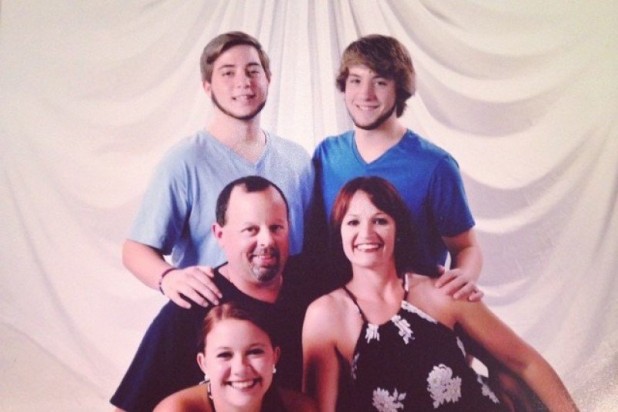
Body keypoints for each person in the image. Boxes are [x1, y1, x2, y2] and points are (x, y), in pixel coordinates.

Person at [302, 176, 578, 412]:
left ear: (397, 230)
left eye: (380, 220)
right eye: (353, 222)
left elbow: (525, 362)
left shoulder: (442, 290)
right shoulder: (326, 315)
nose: (366, 233)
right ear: (338, 232)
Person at [122, 31, 313, 310]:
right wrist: (168, 278)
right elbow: (135, 250)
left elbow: (310, 249)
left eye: (252, 70)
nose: (243, 82)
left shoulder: (296, 160)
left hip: (287, 318)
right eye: (227, 73)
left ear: (268, 79)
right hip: (217, 325)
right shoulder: (184, 162)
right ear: (207, 86)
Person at [111, 176, 313, 411]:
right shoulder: (193, 305)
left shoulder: (310, 287)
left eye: (276, 227)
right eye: (250, 230)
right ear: (220, 235)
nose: (266, 240)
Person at [309, 34, 481, 299]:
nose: (365, 94)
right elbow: (314, 241)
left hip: (413, 311)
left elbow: (466, 248)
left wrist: (461, 280)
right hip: (342, 312)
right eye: (355, 80)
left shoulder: (435, 166)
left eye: (379, 82)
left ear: (399, 88)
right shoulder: (327, 154)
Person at [154, 301, 317, 412]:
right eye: (224, 355)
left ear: (275, 356)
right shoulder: (176, 410)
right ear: (203, 363)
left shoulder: (299, 408)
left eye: (255, 352)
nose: (240, 368)